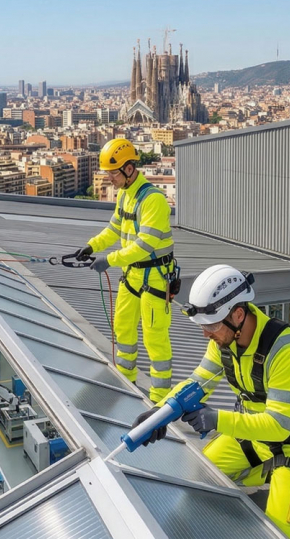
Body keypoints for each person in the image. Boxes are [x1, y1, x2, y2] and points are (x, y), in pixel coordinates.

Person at [131, 265, 290, 538]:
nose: (207, 335)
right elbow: (198, 383)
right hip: (251, 436)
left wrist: (216, 419)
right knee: (200, 475)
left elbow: (278, 426)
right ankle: (273, 475)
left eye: (212, 326)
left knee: (284, 530)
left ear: (238, 315)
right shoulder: (224, 341)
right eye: (204, 327)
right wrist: (160, 412)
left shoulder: (287, 351)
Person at [78, 139, 177, 402]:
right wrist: (90, 246)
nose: (109, 178)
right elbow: (114, 229)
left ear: (130, 168)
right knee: (123, 328)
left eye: (113, 172)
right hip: (132, 274)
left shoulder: (153, 200)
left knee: (154, 337)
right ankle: (126, 379)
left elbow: (145, 245)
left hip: (155, 276)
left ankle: (159, 397)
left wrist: (109, 260)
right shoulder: (124, 194)